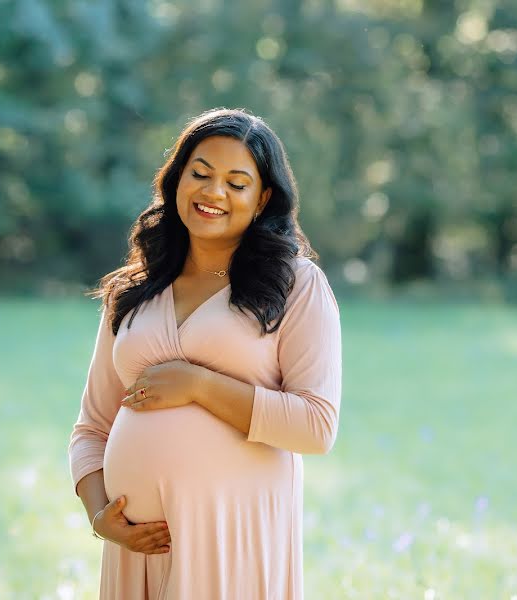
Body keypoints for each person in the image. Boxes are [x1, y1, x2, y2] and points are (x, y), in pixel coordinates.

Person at [68, 107, 342, 599]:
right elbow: (92, 428)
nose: (213, 193)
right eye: (200, 174)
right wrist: (100, 518)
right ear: (176, 181)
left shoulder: (296, 285)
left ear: (263, 199)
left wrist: (200, 385)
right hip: (137, 549)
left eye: (237, 183)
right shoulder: (134, 289)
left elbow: (316, 426)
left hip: (233, 537)